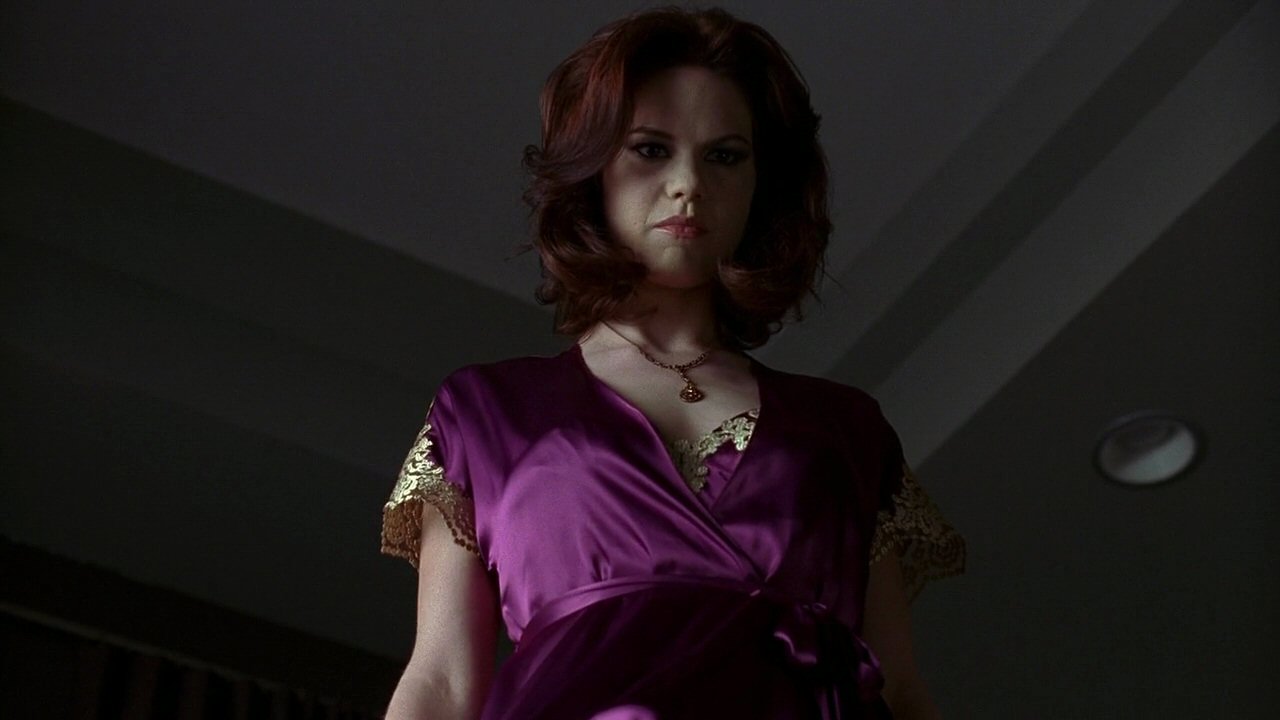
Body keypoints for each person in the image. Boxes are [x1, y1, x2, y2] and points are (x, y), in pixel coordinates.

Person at [380, 7, 964, 719]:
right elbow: (441, 682)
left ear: (761, 183)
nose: (688, 183)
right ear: (595, 168)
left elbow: (900, 691)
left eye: (725, 156)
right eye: (651, 149)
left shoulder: (846, 429)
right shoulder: (485, 411)